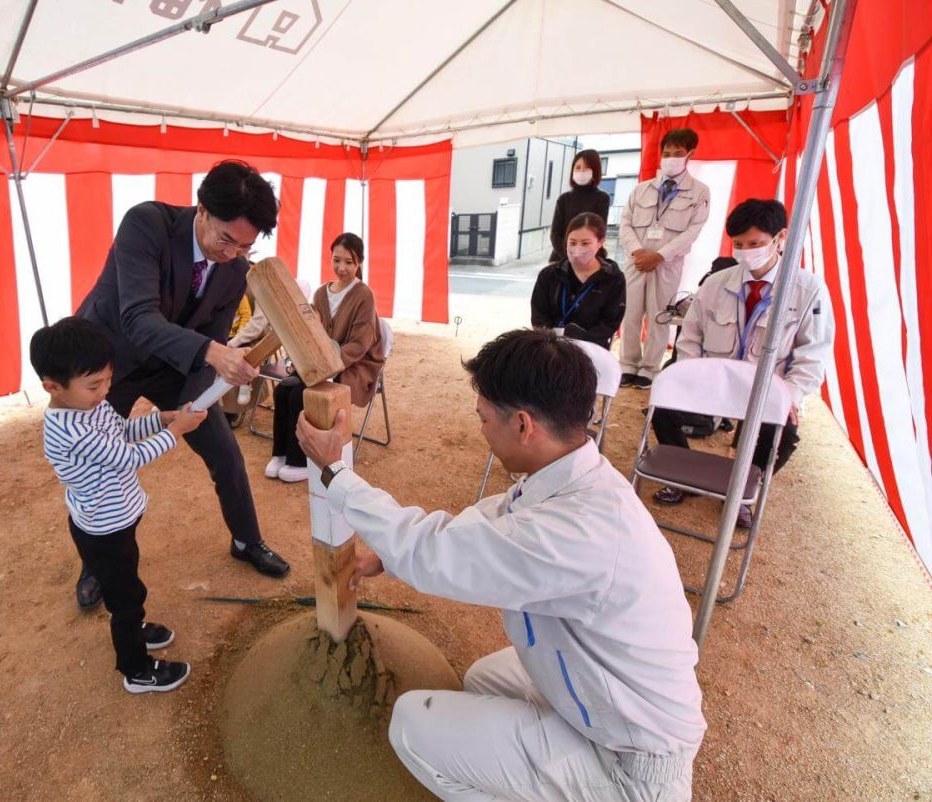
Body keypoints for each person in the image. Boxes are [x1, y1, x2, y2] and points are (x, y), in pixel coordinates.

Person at [296, 329, 705, 802]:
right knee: (484, 679)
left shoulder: (580, 530)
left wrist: (336, 473)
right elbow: (487, 525)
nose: (482, 429)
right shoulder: (573, 476)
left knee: (412, 724)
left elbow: (437, 557)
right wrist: (388, 555)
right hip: (613, 703)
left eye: (485, 418)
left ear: (524, 425)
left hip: (630, 762)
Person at [75, 159, 290, 611]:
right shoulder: (146, 224)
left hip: (175, 363)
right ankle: (97, 563)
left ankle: (246, 540)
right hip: (105, 362)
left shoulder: (234, 268)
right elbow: (137, 317)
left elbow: (211, 335)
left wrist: (203, 395)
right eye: (225, 239)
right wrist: (215, 354)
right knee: (98, 468)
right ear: (202, 209)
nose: (231, 253)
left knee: (224, 450)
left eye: (245, 246)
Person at [31, 316, 206, 694]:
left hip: (115, 518)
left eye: (108, 379)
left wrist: (165, 418)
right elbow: (127, 457)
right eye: (94, 384)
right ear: (53, 387)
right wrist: (177, 432)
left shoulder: (90, 407)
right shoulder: (69, 429)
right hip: (103, 529)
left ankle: (134, 628)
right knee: (128, 598)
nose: (105, 390)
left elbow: (123, 431)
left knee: (124, 587)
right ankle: (136, 669)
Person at [651, 199, 834, 528]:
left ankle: (742, 492)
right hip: (713, 384)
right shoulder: (716, 283)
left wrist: (790, 395)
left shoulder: (808, 289)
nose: (745, 251)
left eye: (755, 244)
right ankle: (686, 478)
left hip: (766, 392)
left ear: (780, 238)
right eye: (738, 244)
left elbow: (813, 353)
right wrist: (690, 376)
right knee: (663, 403)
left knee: (785, 433)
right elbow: (689, 338)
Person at [266, 233, 384, 483]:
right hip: (320, 362)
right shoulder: (320, 293)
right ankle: (281, 453)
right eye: (337, 260)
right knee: (283, 390)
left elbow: (360, 344)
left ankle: (300, 462)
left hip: (353, 365)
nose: (342, 268)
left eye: (349, 262)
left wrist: (329, 364)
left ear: (359, 263)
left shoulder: (364, 295)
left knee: (302, 394)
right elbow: (310, 331)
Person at [618, 128, 711, 389]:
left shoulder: (699, 192)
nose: (671, 158)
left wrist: (659, 256)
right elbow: (625, 223)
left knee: (659, 316)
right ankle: (627, 364)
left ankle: (649, 368)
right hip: (636, 262)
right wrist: (638, 252)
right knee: (631, 314)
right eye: (667, 153)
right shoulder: (641, 190)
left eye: (678, 153)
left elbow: (693, 231)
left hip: (667, 265)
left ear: (690, 154)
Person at [529, 212, 626, 348]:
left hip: (592, 348)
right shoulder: (549, 275)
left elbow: (610, 323)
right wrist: (552, 341)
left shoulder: (613, 279)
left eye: (585, 243)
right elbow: (539, 316)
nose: (577, 249)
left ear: (600, 243)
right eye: (572, 242)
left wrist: (580, 342)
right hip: (551, 347)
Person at [548, 149, 611, 263]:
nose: (581, 171)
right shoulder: (564, 199)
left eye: (586, 168)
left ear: (595, 171)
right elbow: (555, 234)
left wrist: (583, 257)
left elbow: (599, 233)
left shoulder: (602, 198)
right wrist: (569, 258)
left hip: (591, 258)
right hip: (561, 257)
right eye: (577, 167)